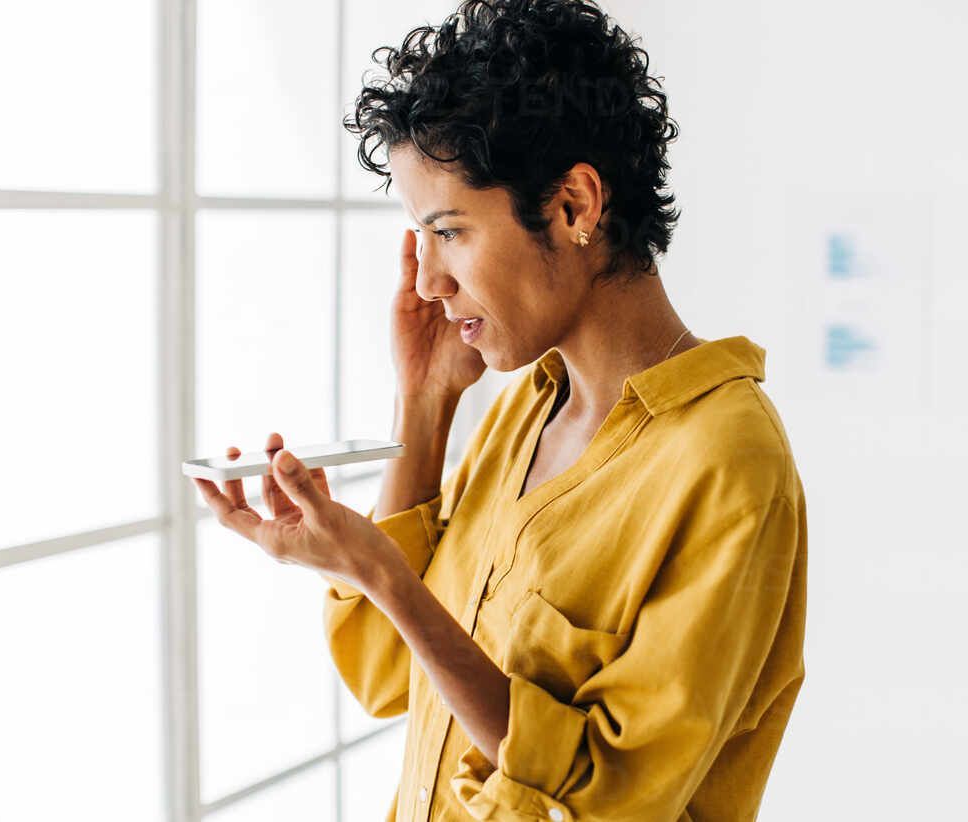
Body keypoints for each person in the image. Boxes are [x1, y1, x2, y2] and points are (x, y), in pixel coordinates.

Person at [193, 1, 807, 819]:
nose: (427, 282)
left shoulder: (726, 462)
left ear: (575, 207)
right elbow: (386, 673)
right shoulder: (525, 411)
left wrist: (383, 574)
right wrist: (425, 402)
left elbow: (602, 801)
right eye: (423, 238)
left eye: (450, 231)